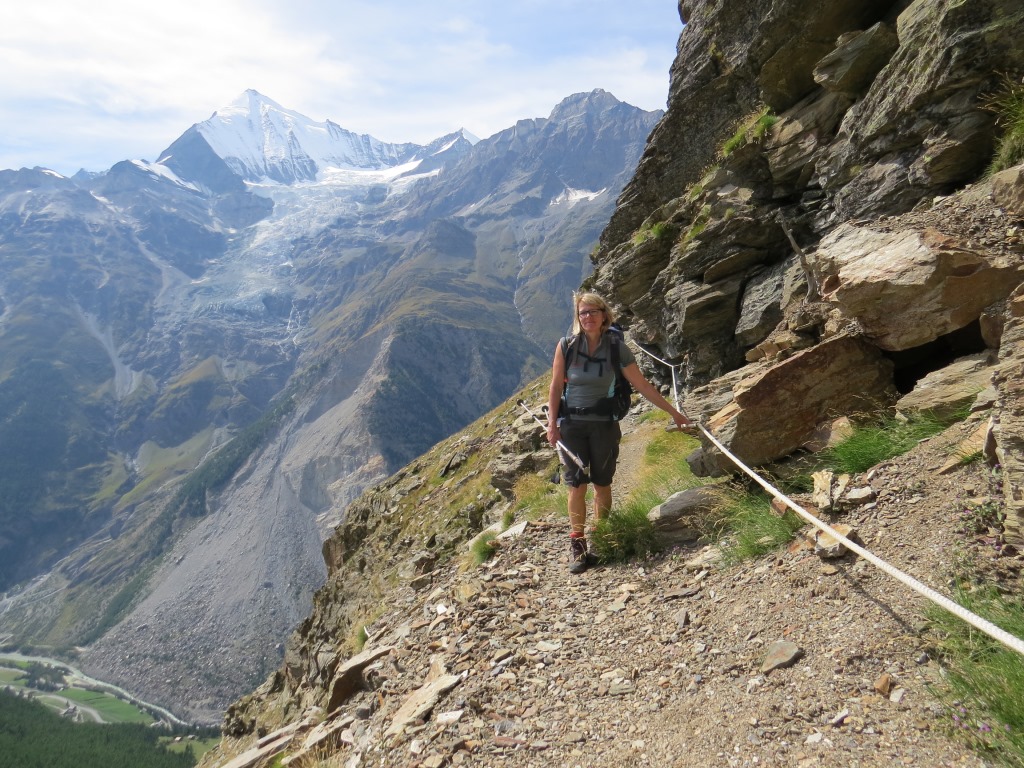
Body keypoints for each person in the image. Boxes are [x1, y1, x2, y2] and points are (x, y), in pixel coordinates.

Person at [546, 292, 694, 574]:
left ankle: (601, 538)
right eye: (582, 312)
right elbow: (555, 386)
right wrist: (553, 423)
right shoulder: (566, 346)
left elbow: (642, 385)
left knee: (602, 483)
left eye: (593, 311)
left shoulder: (617, 348)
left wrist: (673, 413)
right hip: (572, 424)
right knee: (576, 484)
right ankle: (578, 545)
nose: (587, 317)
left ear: (604, 315)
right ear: (578, 317)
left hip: (604, 424)